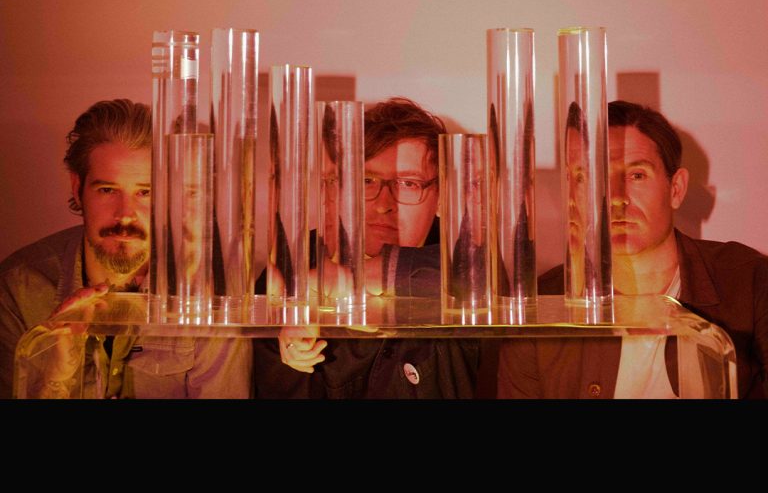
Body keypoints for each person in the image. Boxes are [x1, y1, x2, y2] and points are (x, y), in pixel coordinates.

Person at [497, 100, 768, 399]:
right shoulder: (540, 305)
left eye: (636, 175)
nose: (615, 197)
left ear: (676, 189)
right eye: (593, 178)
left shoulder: (749, 281)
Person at [0, 98, 252, 399]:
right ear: (77, 189)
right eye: (107, 190)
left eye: (145, 192)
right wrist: (55, 379)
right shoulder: (19, 289)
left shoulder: (210, 290)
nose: (125, 215)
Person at [253, 97, 480, 398]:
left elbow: (486, 280)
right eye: (367, 180)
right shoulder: (291, 265)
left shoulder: (468, 260)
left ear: (441, 196)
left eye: (408, 183)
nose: (384, 204)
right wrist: (296, 351)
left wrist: (347, 282)